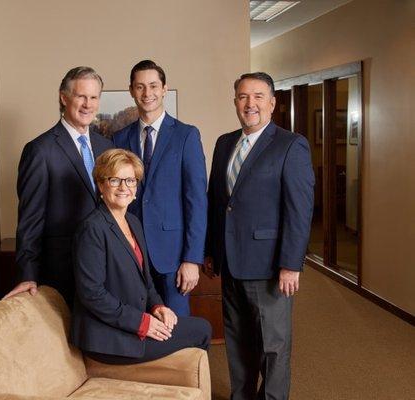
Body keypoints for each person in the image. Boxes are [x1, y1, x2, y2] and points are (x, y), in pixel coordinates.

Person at [204, 72, 314, 400]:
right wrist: (212, 250)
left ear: (272, 102)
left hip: (269, 268)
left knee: (273, 348)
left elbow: (299, 210)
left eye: (258, 96)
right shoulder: (224, 143)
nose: (250, 104)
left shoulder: (290, 145)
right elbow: (217, 202)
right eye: (242, 96)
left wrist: (291, 264)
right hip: (230, 263)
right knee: (238, 344)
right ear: (235, 101)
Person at [71, 149, 211, 364]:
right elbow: (92, 295)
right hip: (107, 337)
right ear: (101, 184)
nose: (123, 187)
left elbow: (146, 282)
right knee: (201, 330)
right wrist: (141, 323)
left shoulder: (133, 222)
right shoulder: (92, 228)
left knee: (195, 326)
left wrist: (158, 307)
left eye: (130, 180)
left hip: (129, 324)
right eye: (115, 180)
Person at [4, 66, 113, 307]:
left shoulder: (106, 146)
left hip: (104, 267)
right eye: (81, 96)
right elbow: (30, 220)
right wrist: (27, 275)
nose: (88, 104)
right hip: (62, 271)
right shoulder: (40, 150)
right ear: (64, 98)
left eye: (94, 97)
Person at [113, 60, 207, 316]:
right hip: (131, 252)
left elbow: (197, 201)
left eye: (153, 86)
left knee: (176, 327)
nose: (147, 93)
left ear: (164, 89)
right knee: (137, 325)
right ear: (131, 90)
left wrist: (191, 259)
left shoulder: (186, 135)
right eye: (140, 87)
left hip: (172, 255)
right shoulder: (120, 138)